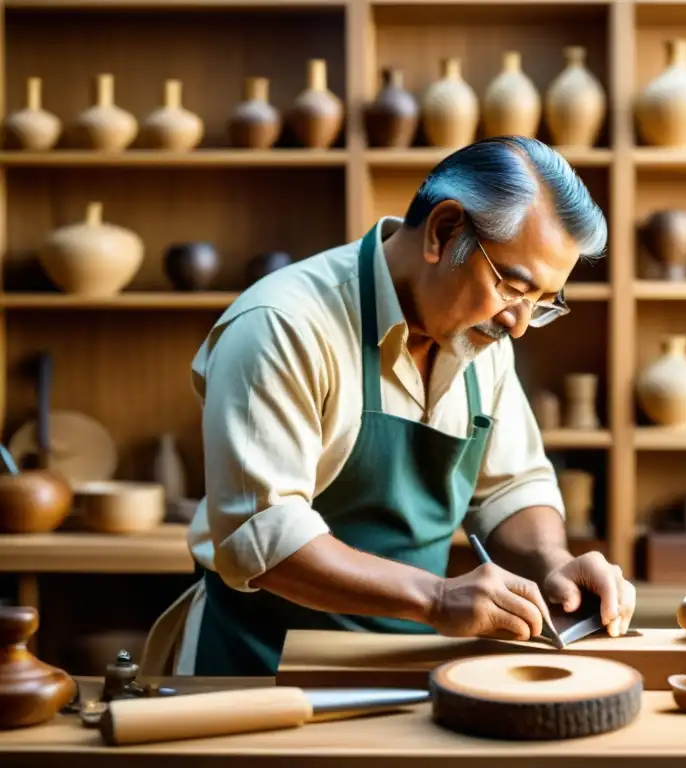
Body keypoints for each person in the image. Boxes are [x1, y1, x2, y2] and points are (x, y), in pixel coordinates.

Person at [149, 136, 635, 677]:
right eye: (513, 288)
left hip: (408, 663)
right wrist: (434, 598)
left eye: (544, 304)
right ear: (444, 232)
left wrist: (554, 564)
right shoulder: (282, 325)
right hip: (262, 663)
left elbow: (512, 485)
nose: (518, 324)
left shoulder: (477, 335)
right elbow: (265, 537)